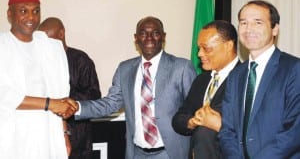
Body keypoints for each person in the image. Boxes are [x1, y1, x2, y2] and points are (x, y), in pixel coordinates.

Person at [67, 16, 197, 159]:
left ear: (163, 36)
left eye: (155, 33)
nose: (149, 38)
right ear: (136, 38)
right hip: (136, 153)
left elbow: (194, 111)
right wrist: (77, 107)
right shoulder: (125, 69)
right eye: (143, 33)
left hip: (171, 153)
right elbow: (110, 104)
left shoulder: (182, 68)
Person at [0, 0, 78, 159]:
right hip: (13, 136)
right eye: (23, 11)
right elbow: (5, 95)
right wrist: (50, 104)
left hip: (48, 134)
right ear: (9, 14)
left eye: (36, 11)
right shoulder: (2, 46)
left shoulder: (51, 47)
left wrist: (65, 135)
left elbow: (60, 95)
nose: (31, 17)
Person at [219, 0, 300, 158]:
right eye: (243, 23)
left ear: (275, 28)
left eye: (257, 22)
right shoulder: (236, 75)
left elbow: (295, 129)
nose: (249, 29)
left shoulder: (293, 69)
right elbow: (227, 130)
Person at [172, 20, 239, 159]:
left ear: (228, 46)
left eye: (206, 48)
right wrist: (191, 122)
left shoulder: (245, 79)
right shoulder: (201, 80)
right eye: (199, 48)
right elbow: (179, 118)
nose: (200, 54)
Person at [38, 17, 102, 159]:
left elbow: (94, 96)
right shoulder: (40, 62)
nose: (44, 44)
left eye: (48, 39)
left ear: (61, 34)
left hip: (78, 137)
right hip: (47, 135)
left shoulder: (80, 60)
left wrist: (66, 101)